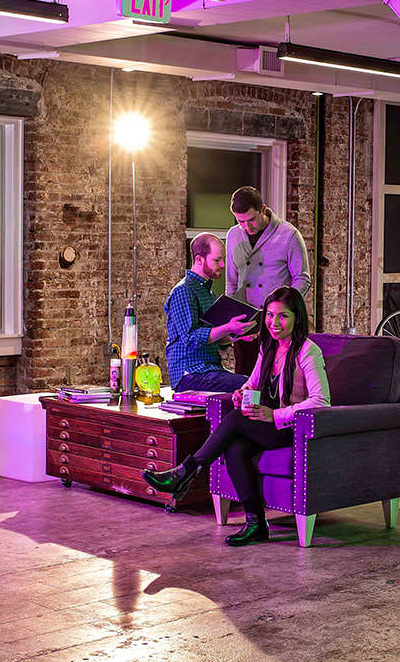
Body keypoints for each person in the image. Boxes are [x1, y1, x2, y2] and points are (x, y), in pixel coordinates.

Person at [144, 286, 330, 546]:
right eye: (270, 315)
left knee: (235, 420)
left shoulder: (308, 351)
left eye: (283, 316)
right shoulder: (269, 347)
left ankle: (185, 472)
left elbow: (321, 400)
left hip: (295, 430)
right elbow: (252, 384)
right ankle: (256, 523)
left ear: (297, 317)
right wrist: (241, 393)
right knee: (234, 447)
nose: (274, 323)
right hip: (270, 426)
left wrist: (275, 415)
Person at [225, 186, 313, 375]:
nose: (246, 227)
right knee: (244, 379)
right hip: (245, 323)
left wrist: (282, 308)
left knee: (274, 377)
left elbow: (303, 278)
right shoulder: (232, 235)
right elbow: (231, 281)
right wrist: (230, 319)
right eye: (240, 221)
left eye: (251, 220)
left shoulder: (289, 235)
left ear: (263, 210)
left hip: (277, 323)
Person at [166, 233, 258, 392]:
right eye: (217, 260)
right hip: (189, 373)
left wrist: (239, 335)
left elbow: (214, 339)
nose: (223, 264)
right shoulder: (183, 291)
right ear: (199, 260)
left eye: (222, 259)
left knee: (255, 382)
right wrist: (228, 328)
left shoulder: (209, 293)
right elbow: (190, 338)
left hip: (210, 369)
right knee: (251, 385)